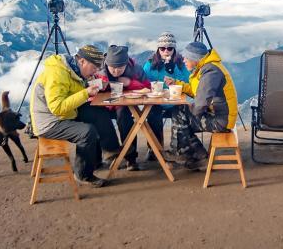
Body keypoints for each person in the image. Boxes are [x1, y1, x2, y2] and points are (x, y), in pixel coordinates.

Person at [29, 45, 111, 187]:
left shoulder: (72, 70)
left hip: (65, 114)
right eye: (94, 67)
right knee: (87, 132)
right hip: (49, 122)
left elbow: (71, 89)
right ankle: (83, 174)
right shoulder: (57, 73)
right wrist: (86, 93)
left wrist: (92, 85)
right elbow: (57, 108)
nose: (96, 71)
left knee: (98, 113)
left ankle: (101, 157)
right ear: (82, 61)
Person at [163, 41, 238, 170]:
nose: (184, 60)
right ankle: (196, 154)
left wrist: (189, 109)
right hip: (219, 115)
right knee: (182, 114)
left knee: (180, 114)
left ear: (195, 59)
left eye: (186, 57)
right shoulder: (206, 68)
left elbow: (200, 104)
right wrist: (176, 83)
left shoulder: (211, 72)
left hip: (221, 121)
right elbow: (197, 91)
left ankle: (182, 152)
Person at [97, 45, 150, 171]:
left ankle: (131, 159)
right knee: (96, 117)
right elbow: (86, 84)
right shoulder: (98, 68)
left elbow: (147, 87)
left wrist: (130, 83)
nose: (116, 71)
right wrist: (100, 86)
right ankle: (100, 158)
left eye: (120, 68)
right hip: (104, 105)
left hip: (124, 104)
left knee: (125, 119)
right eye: (112, 68)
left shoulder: (135, 69)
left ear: (126, 64)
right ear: (106, 63)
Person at [142, 32, 191, 162]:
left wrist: (173, 71)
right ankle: (155, 149)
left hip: (175, 100)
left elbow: (188, 81)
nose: (166, 51)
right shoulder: (150, 64)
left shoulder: (181, 63)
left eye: (169, 48)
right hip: (157, 101)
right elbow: (145, 83)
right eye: (162, 48)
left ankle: (178, 150)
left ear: (174, 49)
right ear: (158, 49)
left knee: (180, 113)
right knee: (152, 114)